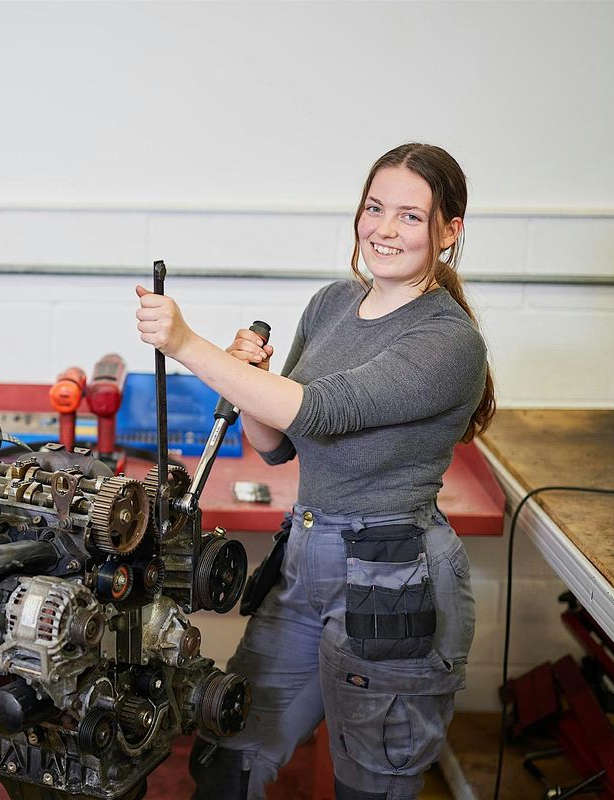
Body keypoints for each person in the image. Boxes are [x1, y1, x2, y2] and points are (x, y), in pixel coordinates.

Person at [135, 142, 495, 800]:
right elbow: (279, 441)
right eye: (374, 208)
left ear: (449, 232)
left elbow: (322, 409)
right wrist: (252, 380)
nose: (385, 230)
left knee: (370, 782)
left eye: (411, 217)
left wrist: (189, 346)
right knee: (226, 751)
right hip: (305, 556)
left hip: (391, 573)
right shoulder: (332, 305)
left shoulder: (448, 340)